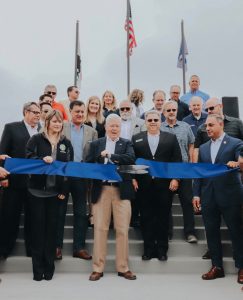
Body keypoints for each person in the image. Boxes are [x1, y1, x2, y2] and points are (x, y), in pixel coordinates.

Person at [192, 114, 243, 284]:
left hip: (231, 196)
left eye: (211, 125)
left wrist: (239, 163)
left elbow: (241, 158)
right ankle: (217, 267)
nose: (207, 128)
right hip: (208, 196)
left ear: (221, 125)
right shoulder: (204, 148)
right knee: (211, 232)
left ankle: (241, 267)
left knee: (236, 232)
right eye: (206, 126)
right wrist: (196, 194)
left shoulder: (236, 143)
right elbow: (199, 172)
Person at [86, 114, 136, 281]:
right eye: (111, 125)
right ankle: (97, 268)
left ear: (120, 127)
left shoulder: (127, 143)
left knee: (122, 230)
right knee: (100, 229)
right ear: (106, 127)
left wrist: (111, 156)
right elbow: (88, 164)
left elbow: (130, 159)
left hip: (122, 191)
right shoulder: (95, 144)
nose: (114, 128)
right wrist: (100, 158)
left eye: (117, 126)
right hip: (102, 190)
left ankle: (123, 267)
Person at [26, 110, 73, 281]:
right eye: (54, 121)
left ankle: (49, 269)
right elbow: (28, 158)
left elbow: (69, 169)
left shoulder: (66, 143)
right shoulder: (36, 139)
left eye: (59, 122)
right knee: (38, 230)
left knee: (51, 231)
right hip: (37, 191)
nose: (57, 124)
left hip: (55, 193)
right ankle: (37, 271)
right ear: (47, 122)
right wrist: (41, 159)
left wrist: (64, 191)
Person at [132, 110, 182, 261]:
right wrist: (133, 178)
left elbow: (177, 161)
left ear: (160, 121)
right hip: (143, 185)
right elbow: (132, 160)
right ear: (145, 122)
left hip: (164, 185)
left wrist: (176, 179)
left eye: (155, 119)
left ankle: (162, 250)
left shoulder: (171, 138)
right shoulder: (136, 138)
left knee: (163, 218)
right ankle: (148, 249)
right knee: (146, 217)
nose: (153, 122)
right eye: (150, 120)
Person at [56, 100, 97, 260]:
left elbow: (93, 155)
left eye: (82, 111)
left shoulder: (92, 131)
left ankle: (79, 248)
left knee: (81, 212)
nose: (80, 114)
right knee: (59, 211)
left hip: (82, 175)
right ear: (70, 112)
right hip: (63, 175)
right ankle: (56, 247)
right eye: (77, 111)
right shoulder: (62, 127)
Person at [0, 102, 40, 259]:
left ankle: (31, 250)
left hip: (35, 183)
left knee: (32, 218)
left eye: (39, 112)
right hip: (14, 182)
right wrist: (4, 177)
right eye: (34, 112)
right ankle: (4, 250)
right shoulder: (11, 128)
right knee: (9, 217)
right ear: (25, 112)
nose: (38, 115)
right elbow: (2, 153)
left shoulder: (41, 131)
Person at [161, 100, 197, 243]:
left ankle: (190, 232)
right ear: (164, 112)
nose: (171, 112)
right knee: (166, 203)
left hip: (184, 169)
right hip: (166, 170)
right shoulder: (159, 127)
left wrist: (191, 165)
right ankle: (167, 232)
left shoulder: (185, 127)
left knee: (187, 202)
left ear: (177, 111)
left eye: (173, 110)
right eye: (168, 110)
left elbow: (191, 145)